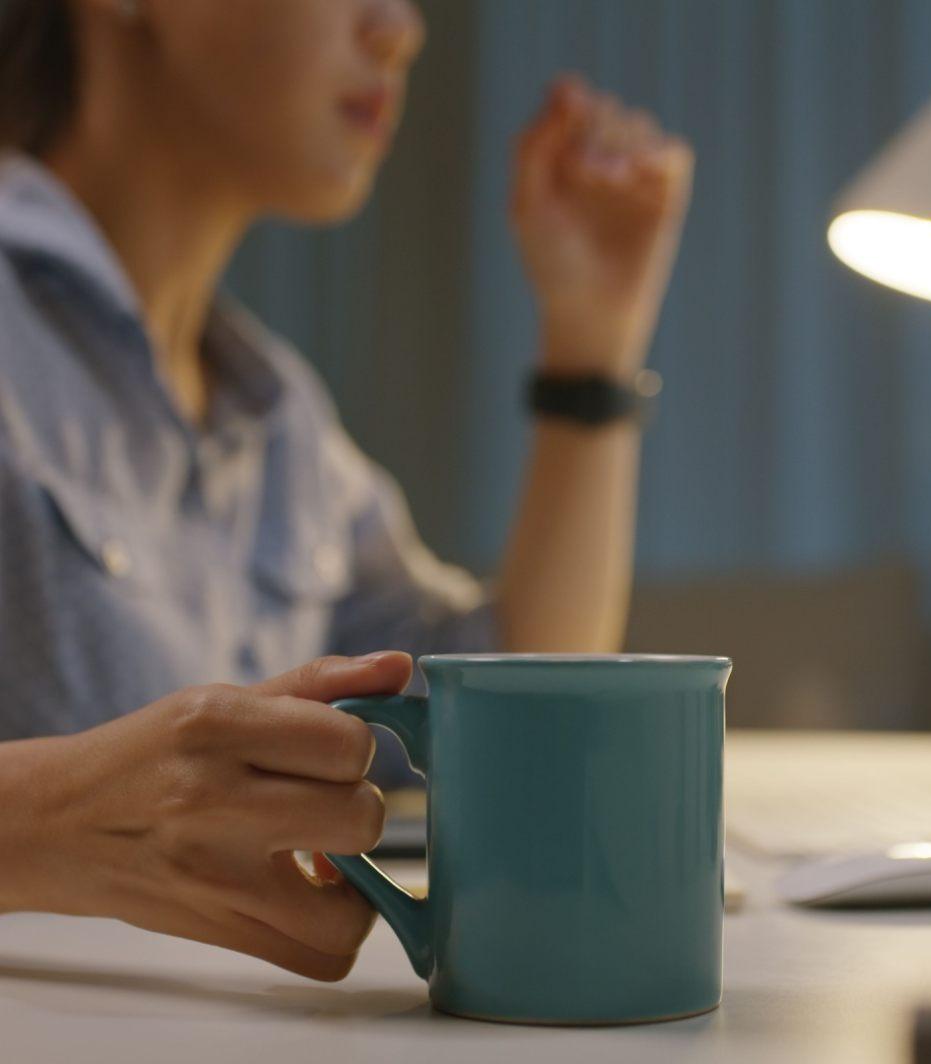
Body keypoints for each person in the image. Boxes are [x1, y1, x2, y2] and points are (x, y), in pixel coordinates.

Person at [0, 0, 694, 981]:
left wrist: (592, 343)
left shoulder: (275, 416)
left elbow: (508, 715)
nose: (398, 29)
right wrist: (40, 822)